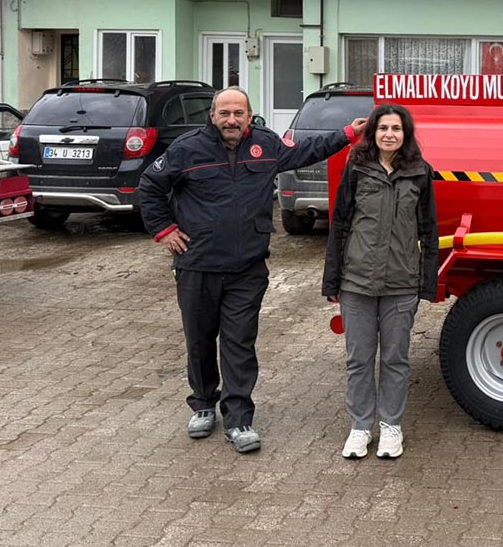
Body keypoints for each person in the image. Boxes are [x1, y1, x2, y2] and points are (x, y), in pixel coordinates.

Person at [139, 87, 366, 454]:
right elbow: (150, 185)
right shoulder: (186, 148)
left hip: (247, 266)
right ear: (212, 116)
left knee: (239, 342)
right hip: (197, 264)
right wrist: (163, 229)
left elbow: (306, 151)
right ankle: (202, 404)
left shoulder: (266, 144)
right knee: (199, 339)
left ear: (249, 115)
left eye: (238, 113)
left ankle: (238, 417)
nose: (231, 120)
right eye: (224, 113)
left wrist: (347, 134)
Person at [323, 104, 438, 460]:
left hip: (401, 283)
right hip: (357, 282)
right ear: (372, 132)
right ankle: (360, 427)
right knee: (359, 359)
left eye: (397, 128)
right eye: (383, 127)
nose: (390, 133)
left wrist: (427, 283)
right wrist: (332, 280)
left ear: (406, 135)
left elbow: (428, 230)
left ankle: (391, 427)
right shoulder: (356, 169)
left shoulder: (420, 173)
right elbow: (340, 224)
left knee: (395, 359)